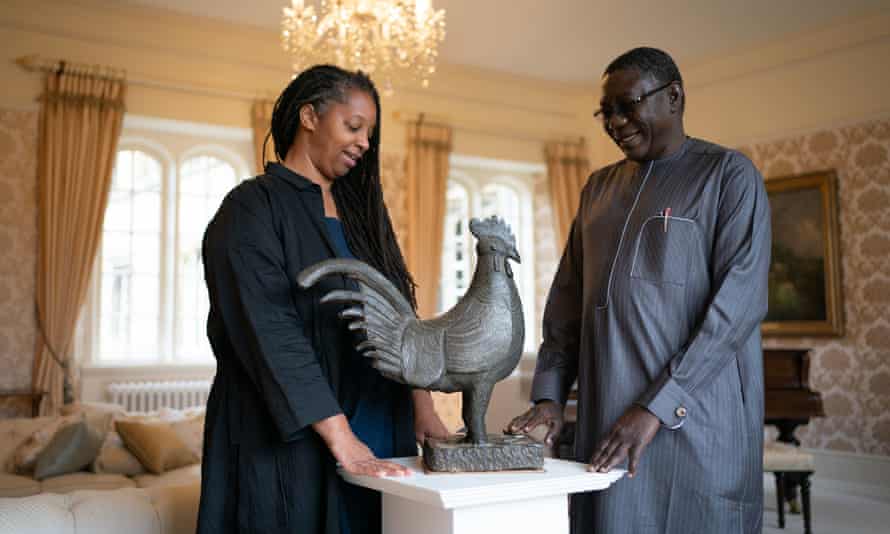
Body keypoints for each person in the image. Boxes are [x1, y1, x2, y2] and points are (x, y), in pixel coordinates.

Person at [508, 47, 771, 533]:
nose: (614, 121)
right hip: (605, 421)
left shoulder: (728, 177)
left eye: (627, 105)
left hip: (698, 426)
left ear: (674, 97)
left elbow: (738, 309)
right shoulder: (597, 189)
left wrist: (655, 406)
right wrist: (548, 396)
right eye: (605, 111)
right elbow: (567, 307)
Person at [196, 65, 449, 534]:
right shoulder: (250, 209)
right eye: (353, 126)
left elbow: (399, 315)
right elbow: (269, 331)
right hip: (291, 432)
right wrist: (341, 437)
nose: (364, 143)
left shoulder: (365, 216)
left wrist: (423, 407)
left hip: (379, 421)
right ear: (309, 116)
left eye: (370, 133)